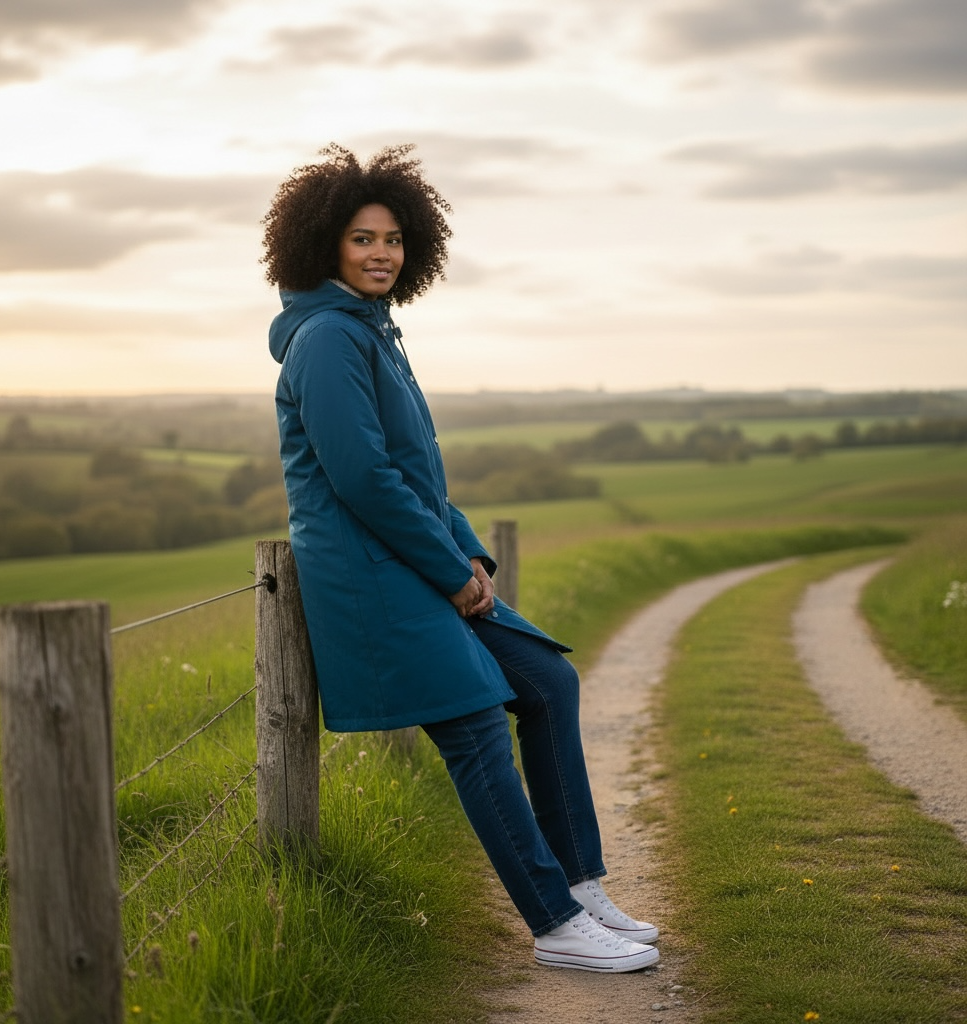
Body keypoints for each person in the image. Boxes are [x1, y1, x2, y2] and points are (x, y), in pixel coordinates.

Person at [261, 144, 659, 973]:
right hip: (374, 575)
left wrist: (468, 550)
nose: (382, 253)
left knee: (546, 682)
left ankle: (580, 886)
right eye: (363, 238)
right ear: (323, 244)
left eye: (394, 239)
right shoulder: (329, 339)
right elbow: (364, 479)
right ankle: (554, 926)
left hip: (419, 558)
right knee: (477, 728)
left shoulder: (372, 331)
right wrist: (450, 573)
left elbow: (417, 474)